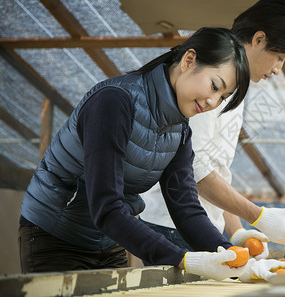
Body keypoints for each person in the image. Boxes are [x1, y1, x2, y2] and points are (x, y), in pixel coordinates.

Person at [18, 27, 254, 281]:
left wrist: (234, 258)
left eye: (223, 97)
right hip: (55, 237)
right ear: (189, 61)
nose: (212, 102)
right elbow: (107, 207)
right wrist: (183, 259)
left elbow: (186, 208)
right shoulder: (114, 102)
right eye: (214, 86)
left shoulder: (180, 130)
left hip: (109, 242)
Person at [140, 0, 285, 267]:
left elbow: (214, 168)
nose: (279, 70)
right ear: (258, 39)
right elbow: (193, 167)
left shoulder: (236, 87)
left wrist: (236, 230)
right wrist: (258, 215)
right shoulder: (208, 83)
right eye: (280, 57)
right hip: (171, 226)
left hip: (199, 226)